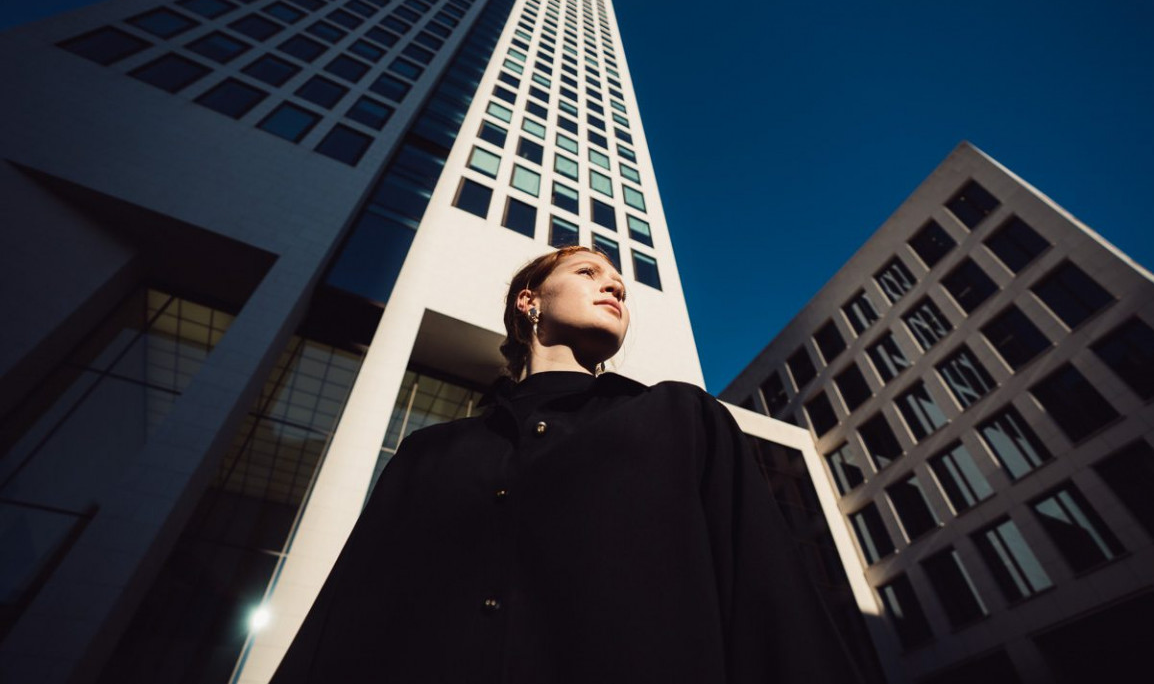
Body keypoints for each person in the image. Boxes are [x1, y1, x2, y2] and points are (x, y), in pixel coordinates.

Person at [270, 246, 827, 683]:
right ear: (529, 302)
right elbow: (345, 626)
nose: (613, 286)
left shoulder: (682, 418)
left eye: (620, 287)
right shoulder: (429, 454)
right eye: (588, 272)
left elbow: (769, 602)